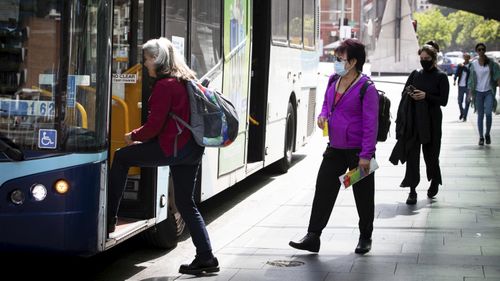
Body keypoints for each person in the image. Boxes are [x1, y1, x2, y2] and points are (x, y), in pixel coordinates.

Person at [107, 37, 219, 275]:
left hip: (172, 149)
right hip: (192, 149)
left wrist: (132, 135)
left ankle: (109, 219)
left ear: (156, 59)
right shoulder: (185, 79)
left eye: (147, 59)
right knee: (186, 203)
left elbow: (154, 127)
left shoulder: (164, 86)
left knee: (122, 157)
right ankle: (206, 256)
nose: (145, 64)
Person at [289, 39, 379, 254]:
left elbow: (371, 126)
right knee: (324, 189)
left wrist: (366, 156)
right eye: (335, 58)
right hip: (335, 148)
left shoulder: (367, 88)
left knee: (363, 194)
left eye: (340, 59)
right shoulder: (333, 81)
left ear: (353, 62)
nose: (336, 63)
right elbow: (326, 104)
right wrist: (322, 115)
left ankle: (365, 236)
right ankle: (313, 236)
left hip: (359, 152)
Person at [389, 41, 449, 204]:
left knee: (431, 156)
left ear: (434, 58)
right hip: (414, 121)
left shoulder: (441, 77)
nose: (423, 60)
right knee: (412, 156)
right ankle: (412, 190)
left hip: (432, 122)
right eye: (421, 57)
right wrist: (411, 93)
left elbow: (443, 101)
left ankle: (434, 180)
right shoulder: (415, 74)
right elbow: (404, 91)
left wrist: (426, 96)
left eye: (427, 58)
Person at [467, 43, 500, 145]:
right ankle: (481, 137)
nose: (481, 51)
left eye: (482, 49)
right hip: (478, 93)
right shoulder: (474, 64)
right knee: (480, 115)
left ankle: (487, 134)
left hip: (489, 91)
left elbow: (497, 76)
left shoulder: (491, 63)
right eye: (479, 49)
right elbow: (471, 80)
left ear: (485, 51)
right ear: (476, 51)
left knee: (489, 113)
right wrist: (470, 94)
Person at [453, 53, 471, 121]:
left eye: (467, 57)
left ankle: (465, 116)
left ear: (469, 58)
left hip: (468, 86)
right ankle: (462, 112)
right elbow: (457, 73)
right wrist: (454, 80)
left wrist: (464, 67)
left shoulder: (471, 65)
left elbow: (469, 72)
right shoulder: (460, 65)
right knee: (459, 101)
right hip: (461, 85)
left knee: (467, 102)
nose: (466, 58)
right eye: (465, 57)